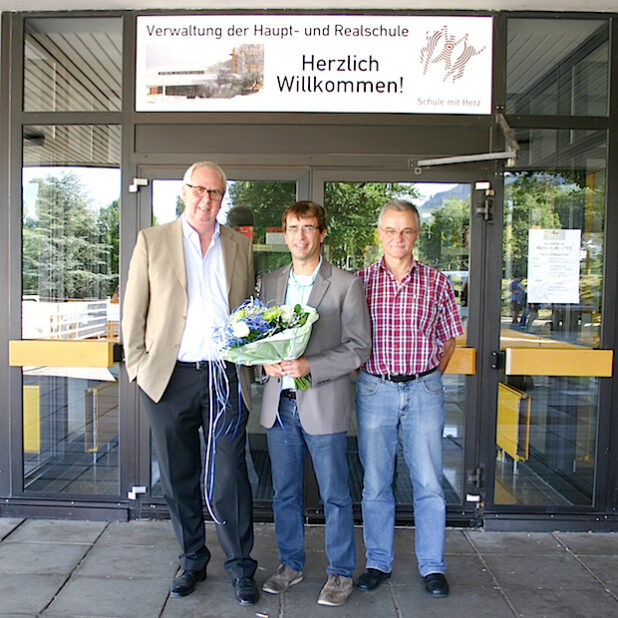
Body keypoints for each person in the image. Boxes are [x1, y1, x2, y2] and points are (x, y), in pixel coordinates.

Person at [122, 161, 259, 605]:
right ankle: (192, 561)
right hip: (168, 378)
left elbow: (246, 313)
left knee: (230, 477)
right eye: (199, 190)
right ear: (185, 192)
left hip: (223, 375)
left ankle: (241, 568)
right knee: (178, 476)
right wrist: (139, 367)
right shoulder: (152, 240)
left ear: (224, 198)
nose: (207, 199)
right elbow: (134, 311)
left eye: (216, 193)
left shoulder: (238, 246)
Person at [259, 201, 371, 607]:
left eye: (308, 228)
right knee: (284, 493)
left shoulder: (345, 284)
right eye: (293, 228)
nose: (300, 236)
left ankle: (341, 573)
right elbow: (260, 341)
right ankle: (291, 563)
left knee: (335, 494)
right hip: (280, 404)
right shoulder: (270, 283)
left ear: (322, 234)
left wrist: (311, 365)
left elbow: (359, 348)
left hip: (322, 400)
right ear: (284, 234)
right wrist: (264, 364)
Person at [355, 199, 463, 598]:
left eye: (406, 231)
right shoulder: (361, 281)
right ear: (379, 234)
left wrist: (429, 373)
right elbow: (351, 340)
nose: (397, 238)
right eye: (390, 230)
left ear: (417, 234)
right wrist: (366, 374)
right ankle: (378, 561)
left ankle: (432, 566)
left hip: (423, 388)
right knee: (376, 482)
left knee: (429, 482)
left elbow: (450, 337)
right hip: (375, 389)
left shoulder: (437, 282)